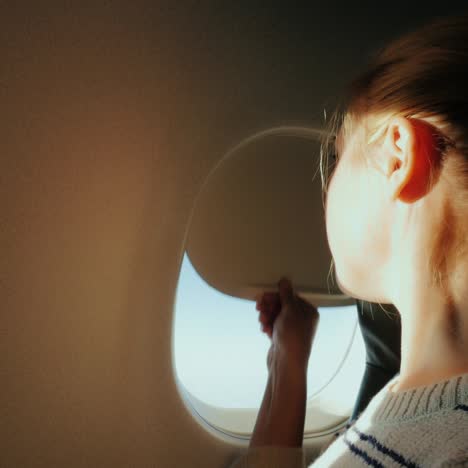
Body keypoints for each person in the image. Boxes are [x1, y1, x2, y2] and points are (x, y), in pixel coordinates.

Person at [230, 14, 468, 467]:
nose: (327, 185)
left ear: (397, 157)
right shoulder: (408, 406)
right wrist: (288, 360)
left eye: (339, 154)